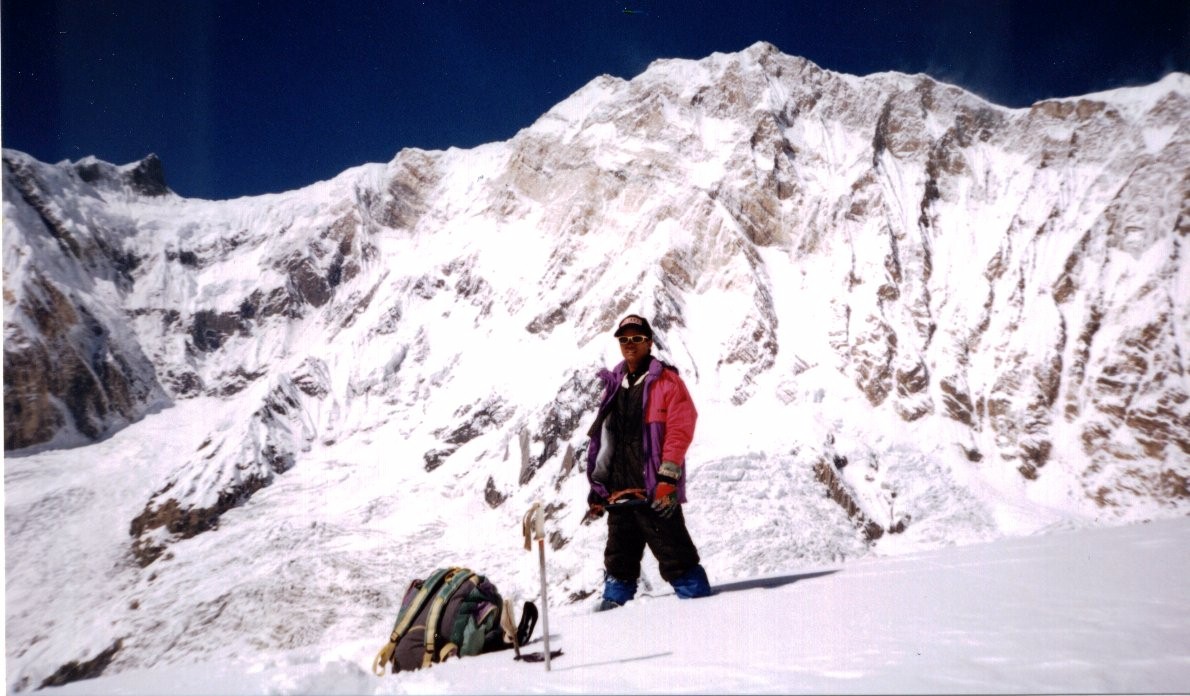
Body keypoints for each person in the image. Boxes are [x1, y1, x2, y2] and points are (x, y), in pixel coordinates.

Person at [584, 314, 711, 610]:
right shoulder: (614, 384)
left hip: (654, 490)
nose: (630, 345)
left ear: (649, 342)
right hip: (619, 493)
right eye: (624, 339)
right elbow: (604, 439)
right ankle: (613, 622)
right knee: (619, 560)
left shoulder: (667, 382)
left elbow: (680, 430)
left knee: (676, 555)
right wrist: (598, 489)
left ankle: (703, 613)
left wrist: (668, 478)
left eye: (637, 339)